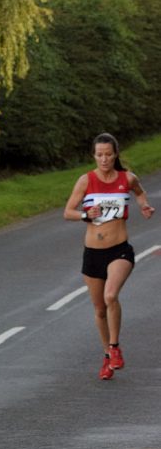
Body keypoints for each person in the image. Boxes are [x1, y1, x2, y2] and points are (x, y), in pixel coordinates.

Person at [64, 132, 154, 380]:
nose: (104, 159)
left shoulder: (127, 178)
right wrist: (86, 214)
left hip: (119, 250)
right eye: (99, 155)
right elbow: (68, 211)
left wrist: (144, 205)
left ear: (115, 155)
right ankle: (107, 355)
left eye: (108, 154)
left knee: (111, 295)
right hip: (92, 254)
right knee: (100, 309)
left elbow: (139, 192)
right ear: (94, 155)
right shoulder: (86, 181)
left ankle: (115, 348)